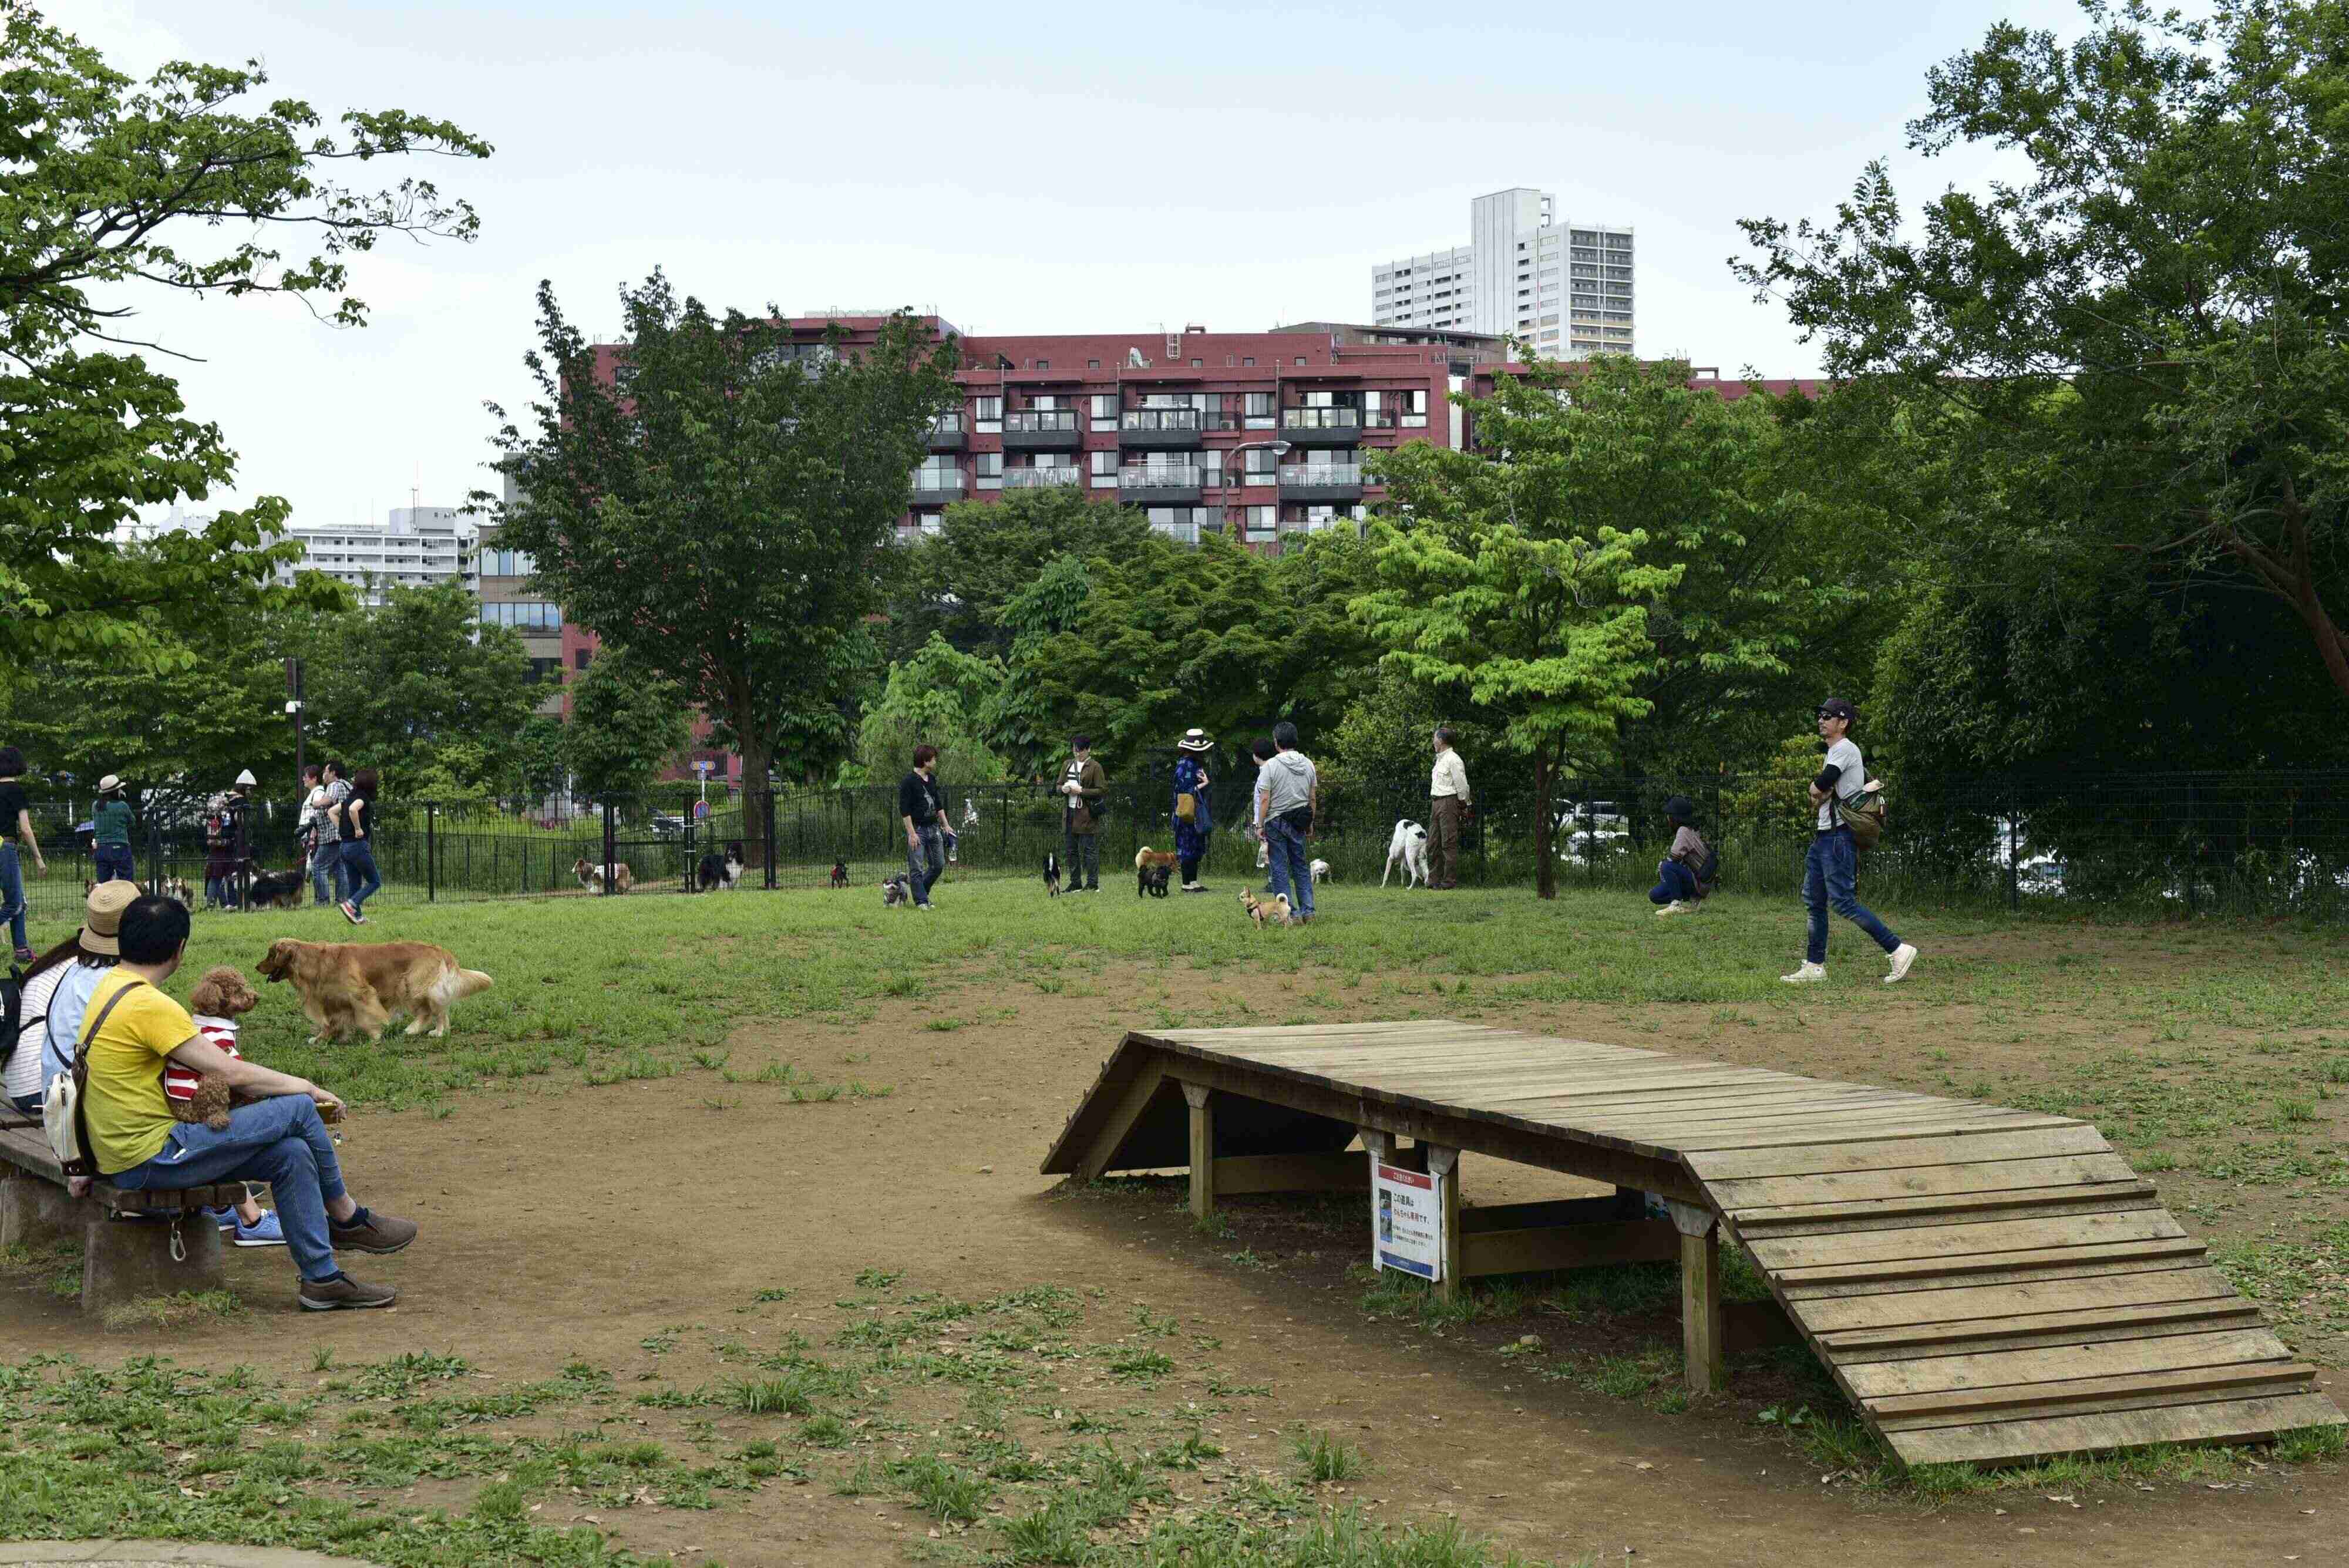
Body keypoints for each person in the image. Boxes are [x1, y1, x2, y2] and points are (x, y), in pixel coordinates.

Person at [85, 894, 416, 1310]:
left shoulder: (111, 987)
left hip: (128, 1151)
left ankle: (322, 1280)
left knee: (292, 1154)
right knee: (297, 1108)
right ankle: (347, 1218)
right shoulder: (150, 1005)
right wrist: (307, 1086)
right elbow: (230, 1071)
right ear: (179, 950)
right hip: (151, 1157)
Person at [1783, 698, 1917, 985]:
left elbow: (1819, 787)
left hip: (1837, 837)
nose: (1821, 720)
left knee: (1843, 902)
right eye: (1820, 715)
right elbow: (1820, 793)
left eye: (1828, 716)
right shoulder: (1835, 751)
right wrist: (1820, 791)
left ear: (1843, 723)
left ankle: (1897, 948)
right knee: (1815, 901)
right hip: (1824, 837)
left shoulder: (1844, 749)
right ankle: (1815, 966)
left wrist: (1817, 789)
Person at [1258, 722, 1319, 923]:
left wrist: (1260, 825)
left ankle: (1289, 914)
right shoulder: (1308, 764)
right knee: (1300, 866)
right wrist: (1311, 822)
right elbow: (1312, 798)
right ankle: (1308, 911)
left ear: (1276, 743)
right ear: (1296, 740)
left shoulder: (1271, 766)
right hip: (1299, 820)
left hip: (1276, 821)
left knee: (1279, 868)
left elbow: (1265, 799)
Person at [0, 745, 47, 964]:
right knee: (14, 904)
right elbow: (26, 829)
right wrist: (38, 858)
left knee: (20, 902)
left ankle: (21, 950)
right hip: (5, 849)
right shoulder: (15, 790)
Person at [896, 745, 950, 910]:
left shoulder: (932, 779)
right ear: (925, 761)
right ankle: (921, 901)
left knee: (939, 865)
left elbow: (938, 804)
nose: (935, 761)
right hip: (918, 830)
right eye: (933, 758)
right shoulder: (908, 782)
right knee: (917, 867)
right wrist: (912, 834)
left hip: (934, 829)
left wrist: (946, 825)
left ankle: (922, 894)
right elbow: (904, 811)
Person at [1650, 795, 1712, 916]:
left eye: (1669, 815)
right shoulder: (1691, 830)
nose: (1668, 819)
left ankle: (1676, 905)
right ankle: (1693, 900)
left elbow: (1674, 858)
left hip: (1698, 883)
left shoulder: (1683, 831)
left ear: (1675, 817)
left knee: (1667, 866)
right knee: (1655, 896)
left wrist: (1662, 865)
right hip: (1700, 882)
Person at [1058, 735, 1106, 894]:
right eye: (1075, 751)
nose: (1077, 754)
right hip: (1069, 812)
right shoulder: (1067, 764)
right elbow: (1058, 785)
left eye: (1081, 751)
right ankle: (1075, 883)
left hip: (1086, 814)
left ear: (1088, 749)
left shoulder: (1095, 767)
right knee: (1071, 850)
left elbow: (1101, 790)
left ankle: (1093, 884)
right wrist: (1063, 789)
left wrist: (1082, 791)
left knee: (1088, 850)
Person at [335, 766, 382, 926]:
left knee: (354, 884)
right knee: (375, 881)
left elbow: (331, 812)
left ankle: (358, 917)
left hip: (345, 847)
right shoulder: (362, 797)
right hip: (357, 846)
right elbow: (353, 810)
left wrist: (343, 829)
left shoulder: (349, 797)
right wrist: (357, 829)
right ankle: (351, 905)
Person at [1428, 727, 1472, 891]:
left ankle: (1448, 881)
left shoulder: (1454, 759)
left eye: (1434, 738)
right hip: (1436, 803)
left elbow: (1462, 785)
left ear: (1441, 740)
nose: (1433, 741)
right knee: (1433, 843)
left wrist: (1464, 804)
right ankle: (1433, 880)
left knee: (1448, 843)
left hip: (1448, 802)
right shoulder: (1440, 759)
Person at [1172, 729, 1215, 893]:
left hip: (1193, 812)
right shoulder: (1185, 765)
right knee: (1188, 846)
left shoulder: (1191, 764)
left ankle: (1193, 881)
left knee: (1195, 845)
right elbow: (1184, 791)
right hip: (1186, 813)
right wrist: (1204, 784)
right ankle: (1186, 883)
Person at [297, 765, 341, 907]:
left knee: (317, 867)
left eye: (306, 776)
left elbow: (317, 816)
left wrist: (311, 836)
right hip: (315, 835)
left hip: (315, 836)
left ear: (314, 778)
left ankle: (321, 900)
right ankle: (333, 900)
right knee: (333, 868)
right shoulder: (315, 793)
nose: (303, 779)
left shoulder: (319, 793)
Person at [89, 775, 134, 885]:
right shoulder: (122, 806)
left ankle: (104, 902)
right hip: (119, 847)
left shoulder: (95, 806)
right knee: (126, 883)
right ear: (115, 791)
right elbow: (132, 821)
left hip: (100, 848)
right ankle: (126, 902)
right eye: (119, 789)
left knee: (103, 884)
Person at [1247, 737, 1276, 887]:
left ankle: (1273, 881)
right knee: (1269, 850)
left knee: (1268, 851)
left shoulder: (1265, 772)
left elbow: (1263, 800)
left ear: (1256, 755)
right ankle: (1272, 880)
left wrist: (1259, 823)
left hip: (1265, 819)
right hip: (1266, 817)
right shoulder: (1271, 769)